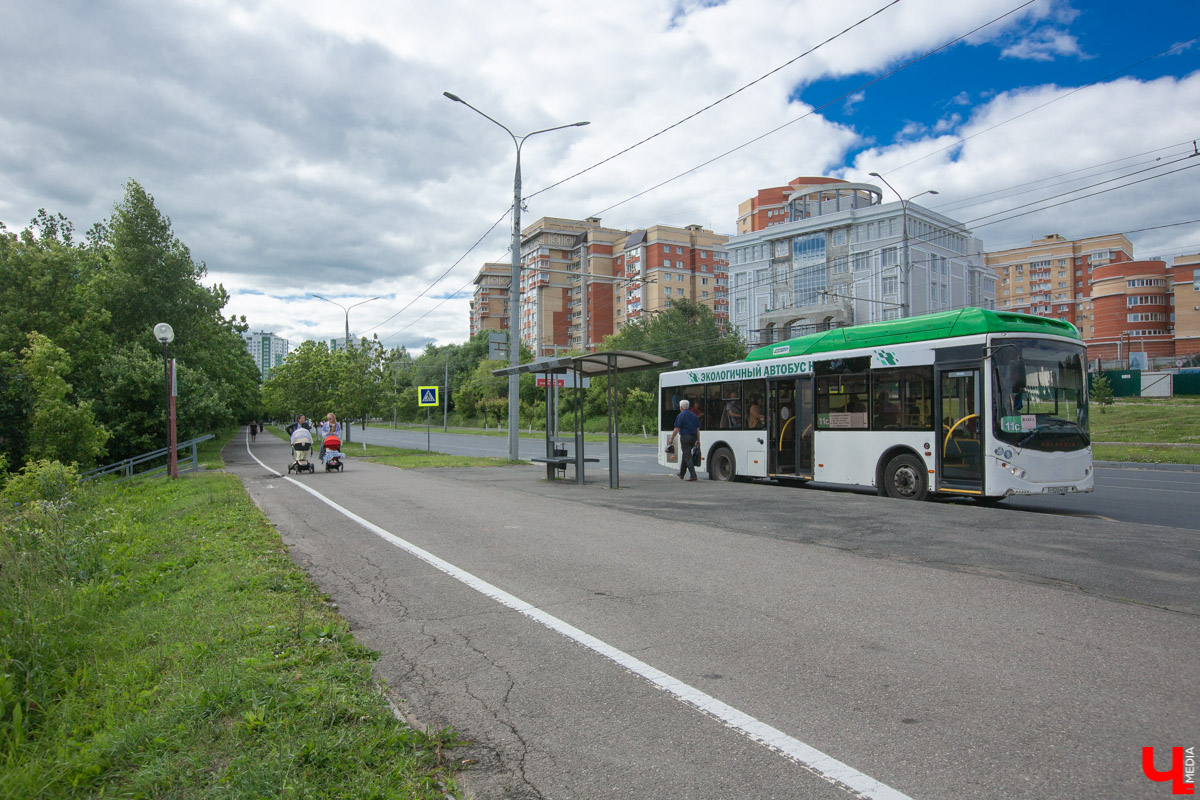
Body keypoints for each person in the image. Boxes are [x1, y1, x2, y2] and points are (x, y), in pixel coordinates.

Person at [667, 398, 701, 481]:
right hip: (693, 437)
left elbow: (677, 428)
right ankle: (681, 473)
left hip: (685, 437)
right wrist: (698, 440)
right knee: (685, 455)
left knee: (687, 456)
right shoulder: (694, 415)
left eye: (679, 406)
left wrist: (672, 438)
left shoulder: (681, 415)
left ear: (681, 407)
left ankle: (693, 475)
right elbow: (697, 429)